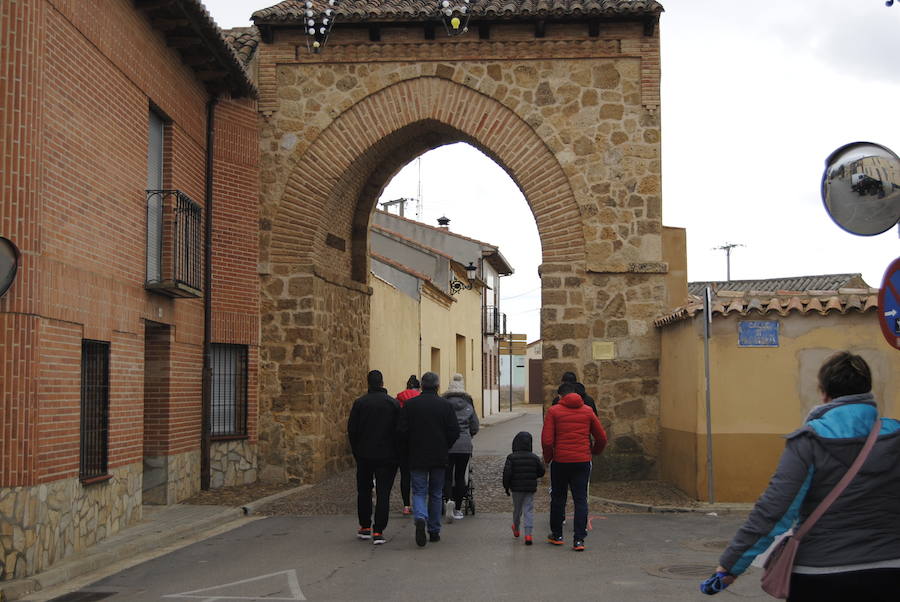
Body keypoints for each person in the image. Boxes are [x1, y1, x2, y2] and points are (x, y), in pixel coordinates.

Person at [711, 352, 900, 600]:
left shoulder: (808, 440)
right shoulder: (895, 435)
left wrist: (731, 565)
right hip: (889, 570)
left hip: (819, 572)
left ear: (824, 392)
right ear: (867, 389)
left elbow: (775, 511)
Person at [541, 382, 607, 551]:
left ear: (560, 396)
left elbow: (547, 441)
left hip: (561, 461)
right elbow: (601, 437)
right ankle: (579, 540)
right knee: (580, 499)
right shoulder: (587, 411)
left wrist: (548, 458)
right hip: (582, 461)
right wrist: (594, 451)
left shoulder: (554, 411)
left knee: (558, 498)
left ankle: (557, 535)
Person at [398, 371, 460, 547]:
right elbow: (454, 431)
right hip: (439, 455)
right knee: (435, 493)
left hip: (417, 454)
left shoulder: (410, 405)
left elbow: (401, 431)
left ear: (422, 386)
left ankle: (419, 517)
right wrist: (445, 445)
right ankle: (433, 530)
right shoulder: (445, 406)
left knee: (419, 491)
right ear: (437, 386)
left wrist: (408, 448)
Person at [347, 369, 400, 545]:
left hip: (364, 455)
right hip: (387, 456)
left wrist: (357, 451)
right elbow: (399, 431)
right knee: (383, 492)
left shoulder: (360, 403)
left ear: (368, 383)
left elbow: (352, 431)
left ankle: (364, 526)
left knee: (364, 490)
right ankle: (378, 530)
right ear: (382, 383)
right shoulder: (392, 404)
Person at [442, 373, 479, 522]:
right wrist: (468, 435)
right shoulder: (469, 405)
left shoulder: (444, 404)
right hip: (464, 445)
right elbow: (475, 426)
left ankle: (447, 501)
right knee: (460, 476)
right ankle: (457, 508)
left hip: (447, 445)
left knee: (447, 475)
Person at [502, 431, 545, 545]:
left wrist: (506, 487)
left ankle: (516, 528)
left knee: (517, 509)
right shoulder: (534, 457)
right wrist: (532, 475)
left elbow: (507, 474)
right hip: (529, 488)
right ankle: (528, 534)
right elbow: (541, 472)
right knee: (528, 509)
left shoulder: (511, 458)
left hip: (516, 489)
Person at [395, 374, 421, 515]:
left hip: (402, 441)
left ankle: (406, 505)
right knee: (419, 474)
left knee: (405, 474)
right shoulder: (420, 399)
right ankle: (419, 503)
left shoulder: (398, 399)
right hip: (418, 441)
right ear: (418, 387)